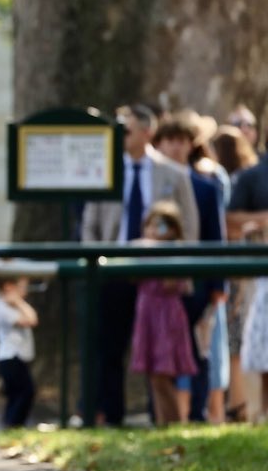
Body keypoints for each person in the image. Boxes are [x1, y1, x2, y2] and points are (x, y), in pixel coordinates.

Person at [80, 103, 198, 426]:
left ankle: (160, 419)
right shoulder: (105, 171)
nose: (121, 136)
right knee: (110, 347)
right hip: (114, 271)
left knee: (158, 352)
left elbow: (189, 225)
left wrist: (179, 271)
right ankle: (112, 418)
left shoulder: (172, 173)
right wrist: (98, 264)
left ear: (147, 132)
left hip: (158, 277)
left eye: (127, 129)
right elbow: (90, 224)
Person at [153, 113, 226, 423]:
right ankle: (161, 413)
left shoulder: (206, 188)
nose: (176, 147)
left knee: (197, 348)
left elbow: (215, 238)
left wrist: (217, 286)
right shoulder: (153, 183)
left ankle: (197, 412)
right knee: (157, 347)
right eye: (170, 140)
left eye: (182, 141)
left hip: (195, 280)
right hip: (157, 282)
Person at [128, 202, 196, 424]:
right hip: (146, 314)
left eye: (161, 225)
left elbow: (178, 285)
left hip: (167, 317)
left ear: (173, 229)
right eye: (150, 224)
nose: (154, 230)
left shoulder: (176, 252)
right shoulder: (141, 250)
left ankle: (174, 422)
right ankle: (162, 423)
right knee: (153, 376)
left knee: (162, 374)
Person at [210, 124, 259, 421]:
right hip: (236, 266)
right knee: (233, 338)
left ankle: (239, 405)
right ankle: (237, 405)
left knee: (238, 337)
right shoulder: (243, 178)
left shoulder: (238, 180)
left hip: (239, 269)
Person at [226, 141, 268, 422]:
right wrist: (263, 219)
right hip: (261, 277)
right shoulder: (254, 176)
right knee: (262, 350)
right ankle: (261, 412)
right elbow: (231, 217)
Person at [0, 272, 38, 428]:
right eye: (21, 286)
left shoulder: (7, 306)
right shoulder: (3, 307)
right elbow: (31, 320)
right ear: (8, 287)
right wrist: (19, 302)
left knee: (17, 393)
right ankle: (14, 424)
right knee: (25, 391)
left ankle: (11, 424)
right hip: (10, 356)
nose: (24, 290)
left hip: (16, 356)